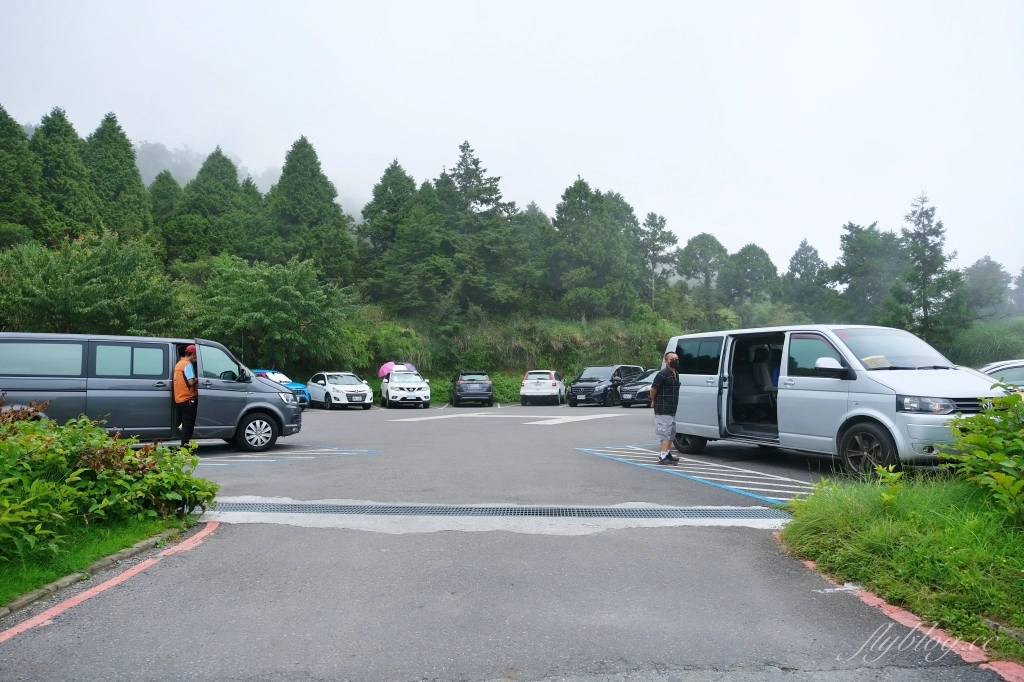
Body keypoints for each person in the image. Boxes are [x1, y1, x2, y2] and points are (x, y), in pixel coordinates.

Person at [649, 351, 681, 465]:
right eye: (672, 359)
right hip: (663, 408)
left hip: (672, 409)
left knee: (671, 433)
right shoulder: (662, 374)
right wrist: (653, 400)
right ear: (666, 361)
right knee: (665, 433)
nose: (675, 361)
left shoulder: (676, 373)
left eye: (676, 358)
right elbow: (653, 389)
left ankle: (667, 453)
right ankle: (662, 457)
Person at [174, 344, 199, 448]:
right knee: (188, 425)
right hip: (188, 398)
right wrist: (199, 379)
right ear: (192, 354)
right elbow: (191, 382)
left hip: (179, 398)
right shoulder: (187, 365)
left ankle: (184, 445)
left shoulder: (179, 364)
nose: (196, 358)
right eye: (196, 356)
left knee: (184, 423)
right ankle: (184, 447)